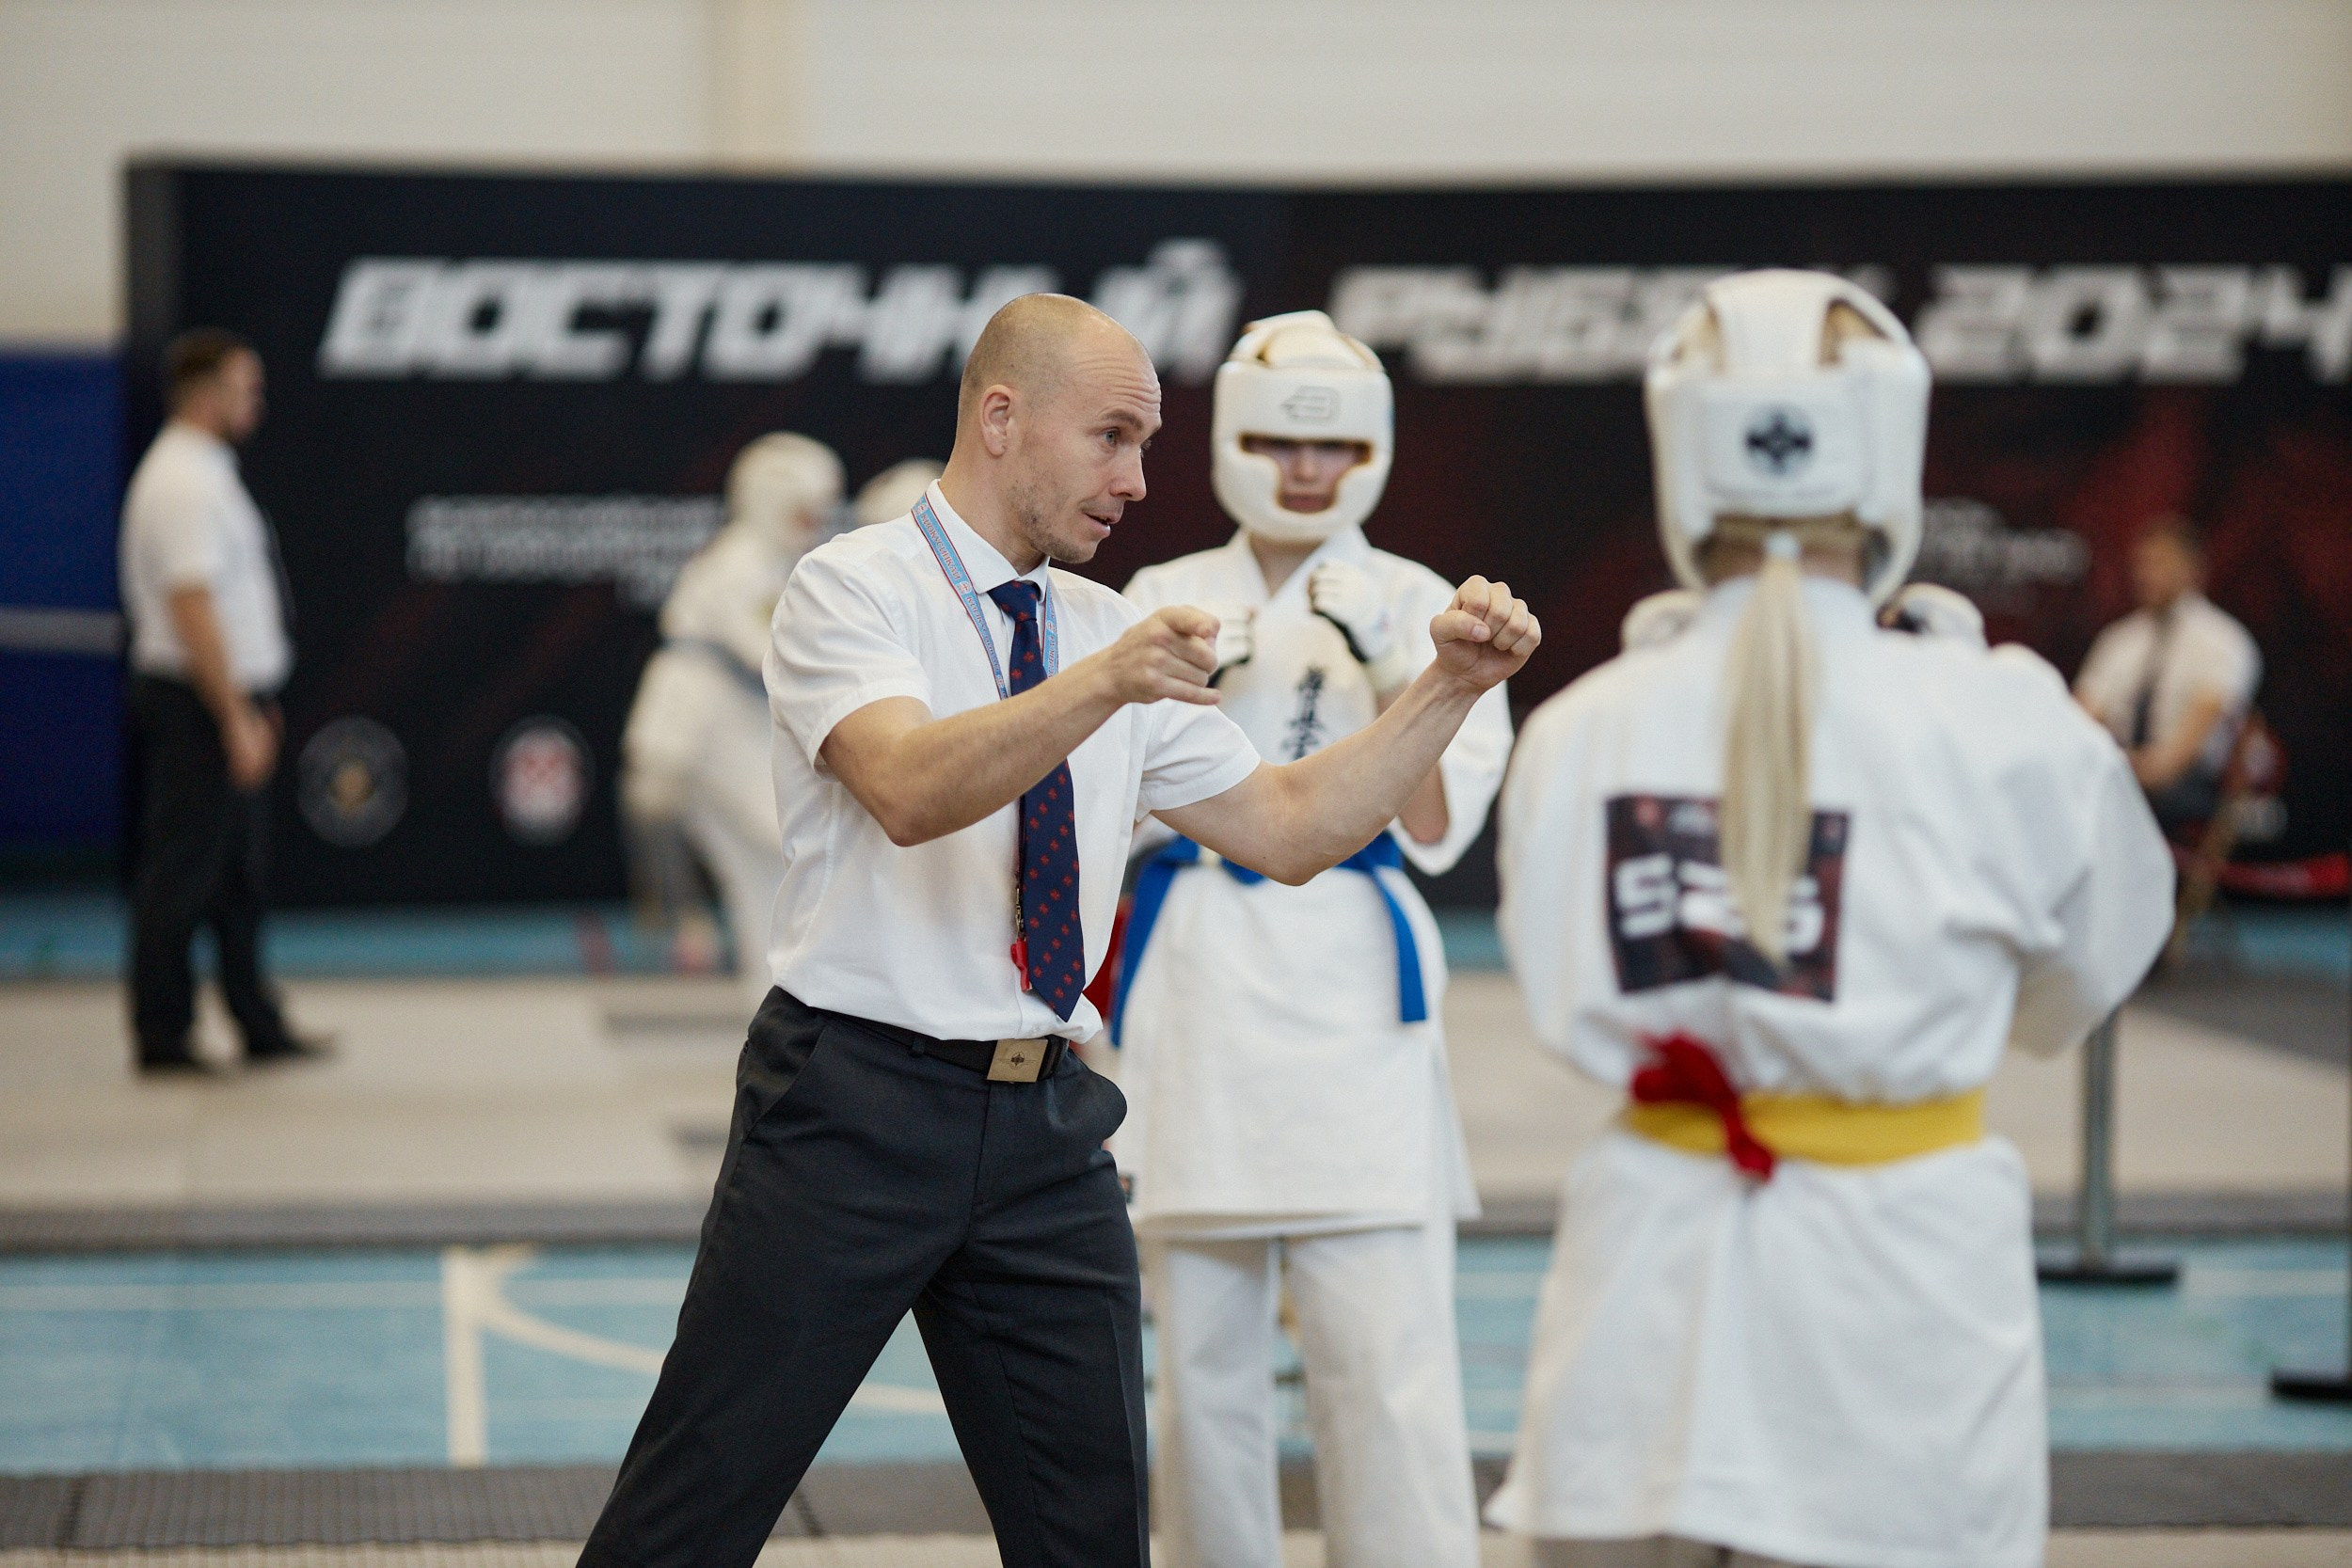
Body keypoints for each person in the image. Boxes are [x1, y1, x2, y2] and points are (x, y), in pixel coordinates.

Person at [575, 293, 1538, 1568]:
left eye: (1149, 442)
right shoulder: (854, 585)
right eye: (1113, 437)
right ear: (1001, 416)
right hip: (852, 1104)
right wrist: (1105, 680)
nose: (1140, 479)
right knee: (694, 1505)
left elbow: (1296, 824)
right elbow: (910, 786)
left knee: (1091, 1539)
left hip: (1046, 1126)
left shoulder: (1100, 630)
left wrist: (1447, 687)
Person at [1487, 271, 2172, 1568]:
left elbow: (1549, 979)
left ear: (1684, 453)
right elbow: (2071, 998)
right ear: (1890, 451)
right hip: (1900, 1282)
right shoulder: (2006, 719)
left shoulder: (1583, 728)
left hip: (1650, 1280)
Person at [1113, 310, 1509, 1568]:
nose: (1306, 470)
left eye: (1333, 446)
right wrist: (1183, 685)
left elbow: (1443, 826)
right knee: (1202, 1374)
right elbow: (1092, 805)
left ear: (1371, 452)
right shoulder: (1162, 596)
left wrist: (1412, 669)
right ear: (1231, 439)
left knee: (1386, 1362)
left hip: (1353, 993)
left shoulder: (1429, 604)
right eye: (1281, 442)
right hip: (1199, 988)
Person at [119, 328, 323, 1074]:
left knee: (238, 874)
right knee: (182, 870)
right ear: (206, 394)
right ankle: (162, 1031)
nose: (257, 402)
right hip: (196, 703)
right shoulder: (181, 481)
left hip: (227, 696)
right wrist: (232, 712)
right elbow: (191, 604)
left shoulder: (209, 470)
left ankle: (255, 1018)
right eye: (246, 388)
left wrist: (252, 696)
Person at [621, 434, 844, 1006]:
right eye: (802, 512)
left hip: (726, 723)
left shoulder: (768, 561)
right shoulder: (744, 563)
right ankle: (695, 928)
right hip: (703, 727)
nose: (813, 524)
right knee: (790, 848)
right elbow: (772, 654)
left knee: (767, 881)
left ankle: (770, 1001)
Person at [2073, 515, 2261, 832]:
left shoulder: (2225, 642)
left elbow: (2177, 759)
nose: (2147, 574)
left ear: (2193, 569)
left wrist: (2121, 771)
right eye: (2143, 564)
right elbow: (2080, 722)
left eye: (2161, 563)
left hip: (2191, 787)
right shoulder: (2118, 641)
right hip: (2119, 774)